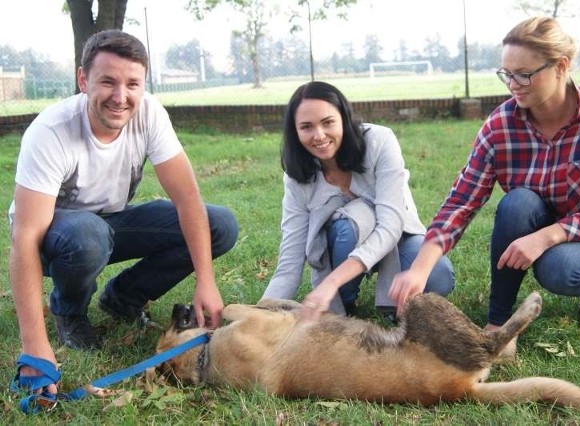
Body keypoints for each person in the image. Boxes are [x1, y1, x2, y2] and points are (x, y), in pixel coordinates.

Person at [389, 16, 580, 362]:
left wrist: (547, 236)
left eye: (523, 74)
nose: (513, 84)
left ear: (561, 66)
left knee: (559, 268)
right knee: (517, 203)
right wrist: (420, 268)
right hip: (539, 220)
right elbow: (461, 202)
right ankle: (499, 324)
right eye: (506, 73)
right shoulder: (501, 124)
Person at [9, 30, 238, 397]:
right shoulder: (51, 132)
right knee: (87, 235)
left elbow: (187, 199)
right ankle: (69, 311)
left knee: (219, 225)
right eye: (108, 82)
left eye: (133, 83)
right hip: (57, 235)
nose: (121, 97)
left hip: (111, 222)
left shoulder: (149, 113)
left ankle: (123, 297)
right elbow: (25, 238)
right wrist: (33, 345)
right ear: (83, 80)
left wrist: (205, 281)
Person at [262, 81, 455, 320]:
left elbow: (391, 225)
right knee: (350, 224)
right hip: (343, 242)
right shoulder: (297, 176)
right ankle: (345, 301)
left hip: (397, 236)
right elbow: (291, 257)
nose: (319, 135)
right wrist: (261, 313)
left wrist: (331, 282)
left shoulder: (379, 141)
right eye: (306, 127)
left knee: (439, 276)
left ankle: (388, 302)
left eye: (328, 122)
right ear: (295, 131)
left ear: (344, 117)